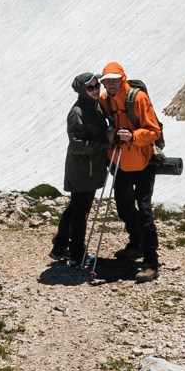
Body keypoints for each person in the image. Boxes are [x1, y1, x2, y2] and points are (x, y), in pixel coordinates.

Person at [97, 62, 162, 279]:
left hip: (143, 161)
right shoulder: (106, 100)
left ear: (122, 78)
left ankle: (151, 262)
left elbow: (154, 130)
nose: (110, 84)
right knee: (124, 206)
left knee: (144, 209)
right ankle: (137, 244)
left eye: (114, 80)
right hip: (121, 161)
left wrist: (133, 137)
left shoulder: (138, 98)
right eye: (107, 81)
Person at [50, 72, 111, 265]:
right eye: (90, 87)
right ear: (81, 90)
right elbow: (77, 146)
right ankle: (77, 254)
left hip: (88, 168)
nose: (95, 90)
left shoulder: (94, 107)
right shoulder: (77, 112)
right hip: (83, 170)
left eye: (96, 86)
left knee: (75, 208)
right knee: (80, 212)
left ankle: (60, 246)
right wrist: (105, 139)